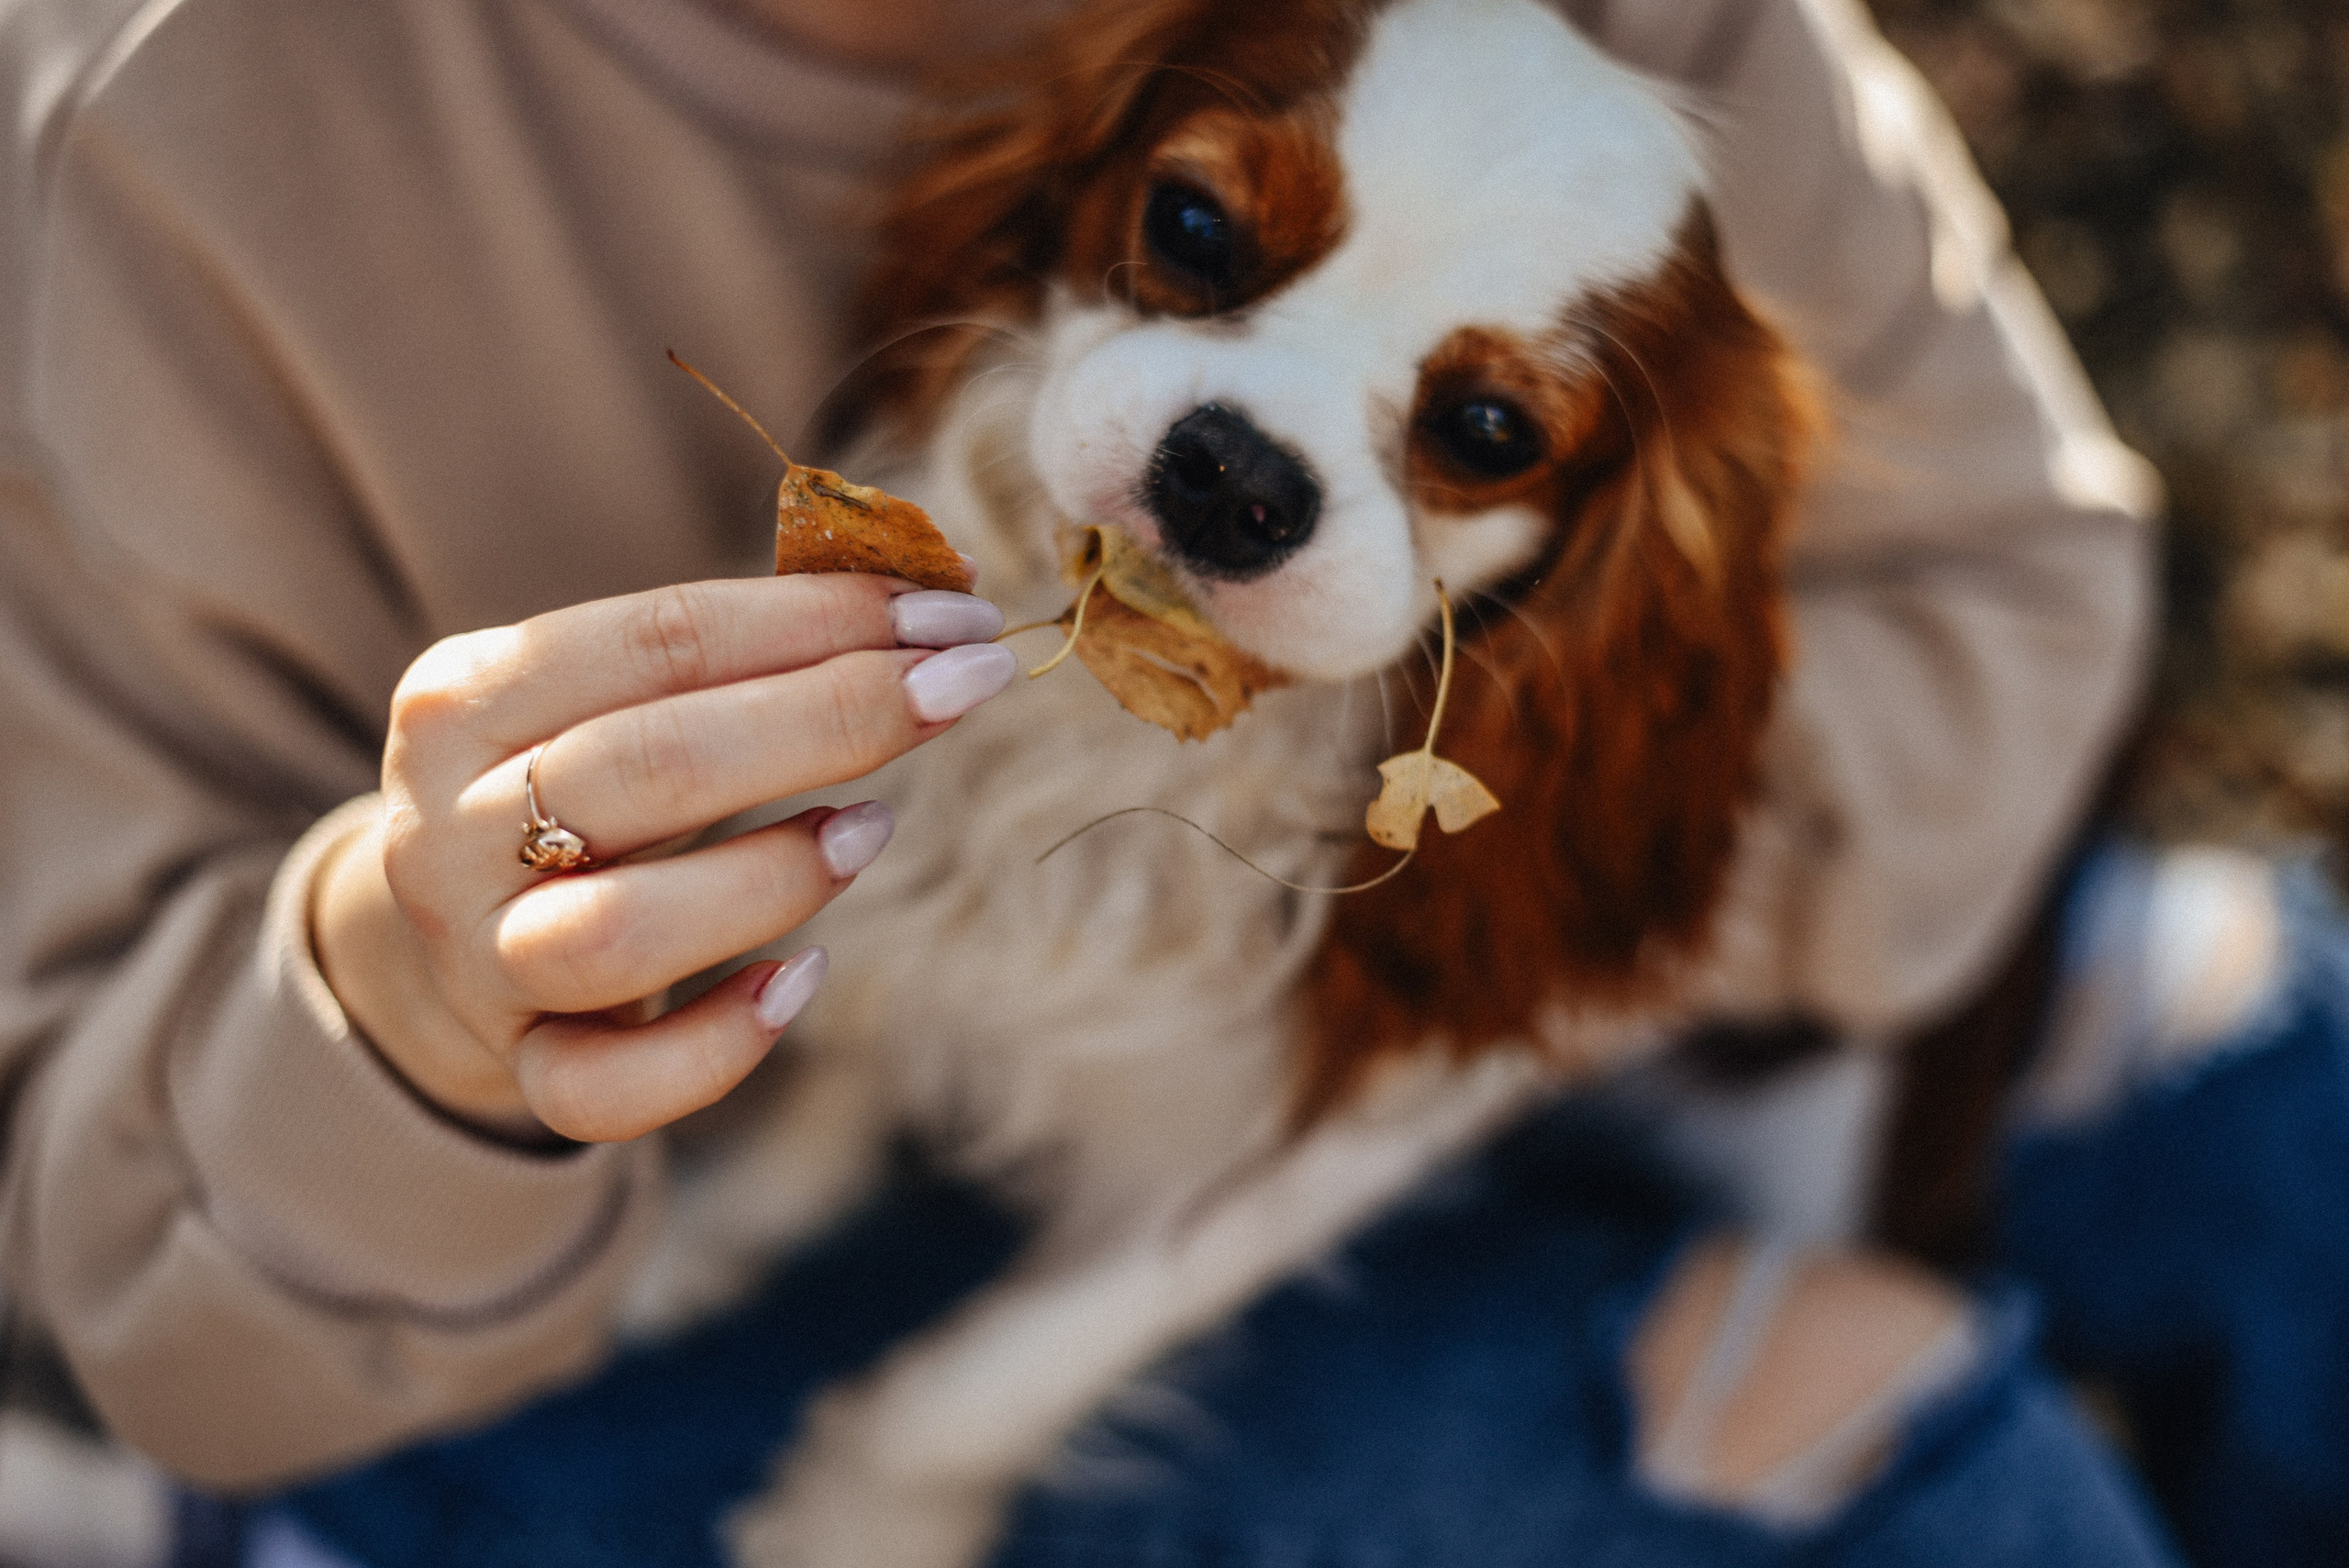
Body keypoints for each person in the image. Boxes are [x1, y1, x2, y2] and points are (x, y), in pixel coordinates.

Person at [0, 0, 2178, 1559]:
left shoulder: (1674, 131)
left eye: (1475, 434)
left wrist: (1562, 899)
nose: (1250, 459)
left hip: (1490, 1033)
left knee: (2273, 1160)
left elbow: (2023, 588)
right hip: (464, 1307)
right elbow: (107, 1258)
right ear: (1063, 194)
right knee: (1958, 1500)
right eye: (1210, 248)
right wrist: (378, 997)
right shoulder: (129, 128)